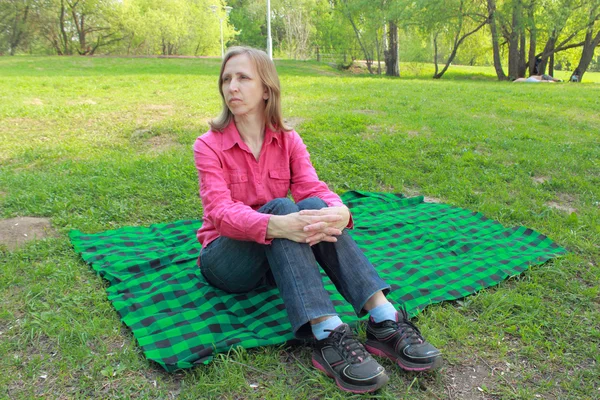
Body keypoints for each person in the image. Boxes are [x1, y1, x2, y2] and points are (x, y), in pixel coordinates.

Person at [193, 46, 442, 393]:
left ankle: (384, 319)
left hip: (278, 262)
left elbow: (312, 186)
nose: (231, 86)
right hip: (228, 261)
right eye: (226, 79)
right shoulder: (209, 145)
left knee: (313, 204)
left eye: (243, 78)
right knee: (282, 208)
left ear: (266, 88)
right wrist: (277, 224)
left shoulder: (289, 139)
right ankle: (327, 334)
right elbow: (219, 214)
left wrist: (340, 211)